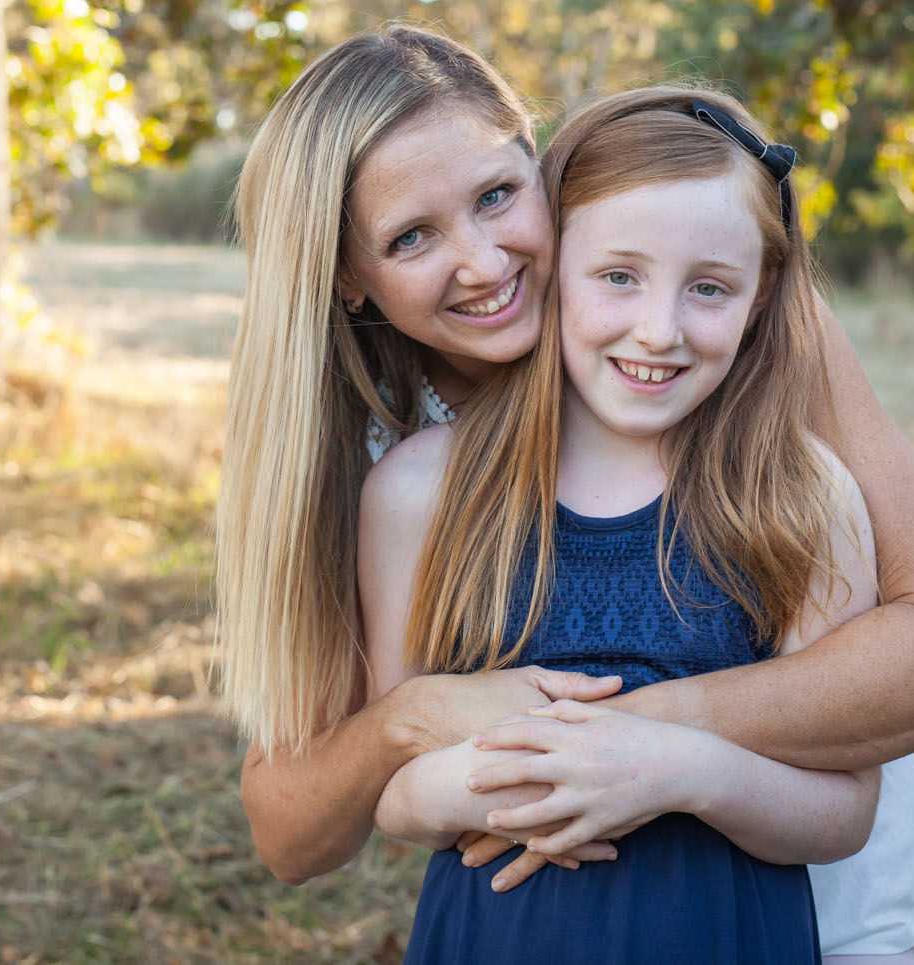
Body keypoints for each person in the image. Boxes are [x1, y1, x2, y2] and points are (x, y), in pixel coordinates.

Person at [214, 27, 914, 953]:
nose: (483, 262)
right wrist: (408, 719)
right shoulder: (382, 462)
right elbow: (289, 825)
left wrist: (626, 740)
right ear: (349, 274)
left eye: (497, 195)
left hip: (800, 872)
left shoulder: (708, 306)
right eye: (412, 236)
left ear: (544, 166)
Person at [366, 86, 884, 962]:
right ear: (554, 270)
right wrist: (522, 775)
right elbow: (392, 789)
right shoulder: (423, 489)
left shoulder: (801, 493)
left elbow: (846, 811)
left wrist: (683, 771)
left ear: (760, 299)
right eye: (618, 276)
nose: (659, 330)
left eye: (710, 288)